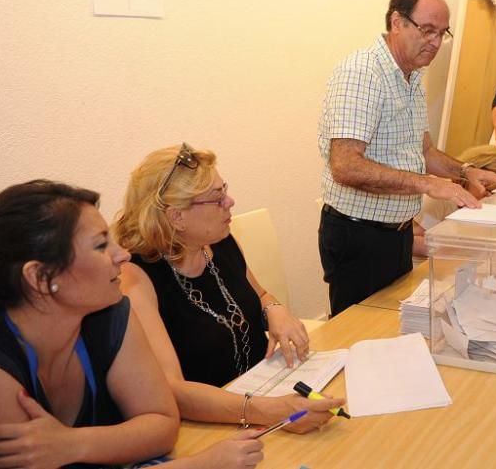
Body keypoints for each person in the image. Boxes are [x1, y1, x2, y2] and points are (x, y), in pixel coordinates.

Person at [0, 180, 263, 469]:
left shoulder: (111, 311)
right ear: (39, 277)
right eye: (100, 245)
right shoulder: (3, 368)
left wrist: (71, 444)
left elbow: (162, 425)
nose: (122, 254)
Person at [115, 144, 342, 432]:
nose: (230, 202)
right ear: (177, 217)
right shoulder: (135, 277)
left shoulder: (218, 240)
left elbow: (260, 295)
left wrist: (276, 310)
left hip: (264, 395)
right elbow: (171, 390)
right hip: (211, 426)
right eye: (216, 198)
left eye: (225, 190)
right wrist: (270, 411)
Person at [319, 0, 496, 315]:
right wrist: (428, 184)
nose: (435, 42)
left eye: (441, 33)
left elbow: (424, 151)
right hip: (359, 235)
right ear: (397, 22)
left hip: (398, 233)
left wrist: (465, 172)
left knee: (395, 332)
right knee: (360, 338)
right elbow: (345, 166)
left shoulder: (411, 78)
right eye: (427, 31)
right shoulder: (363, 73)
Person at [412, 145, 496, 263]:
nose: (489, 196)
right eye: (487, 188)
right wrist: (455, 249)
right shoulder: (441, 197)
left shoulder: (475, 199)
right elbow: (412, 242)